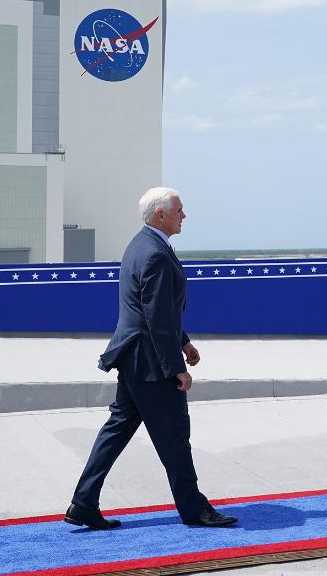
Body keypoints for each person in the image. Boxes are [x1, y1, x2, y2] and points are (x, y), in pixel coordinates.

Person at [65, 187, 237, 530]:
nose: (184, 216)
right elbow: (155, 316)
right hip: (149, 363)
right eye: (179, 210)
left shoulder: (141, 244)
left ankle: (83, 502)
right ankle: (194, 508)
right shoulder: (156, 253)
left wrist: (184, 341)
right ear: (160, 214)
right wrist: (175, 367)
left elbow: (157, 308)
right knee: (174, 435)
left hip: (135, 357)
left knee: (116, 430)